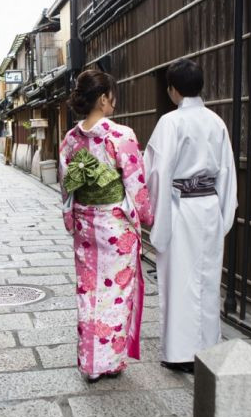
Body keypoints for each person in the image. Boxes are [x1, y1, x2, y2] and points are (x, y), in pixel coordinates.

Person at [59, 69, 154, 382]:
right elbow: (135, 184)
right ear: (103, 98)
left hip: (86, 223)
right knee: (115, 292)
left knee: (88, 290)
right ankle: (108, 362)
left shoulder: (70, 140)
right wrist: (145, 215)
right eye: (111, 95)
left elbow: (67, 187)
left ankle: (89, 360)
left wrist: (71, 219)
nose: (114, 101)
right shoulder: (120, 135)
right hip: (114, 227)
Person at [144, 59, 237, 373]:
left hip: (180, 208)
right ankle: (207, 349)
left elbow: (157, 171)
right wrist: (224, 213)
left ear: (173, 90)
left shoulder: (171, 123)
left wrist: (154, 216)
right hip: (209, 206)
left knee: (180, 280)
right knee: (207, 279)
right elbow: (226, 172)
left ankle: (180, 352)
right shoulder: (216, 122)